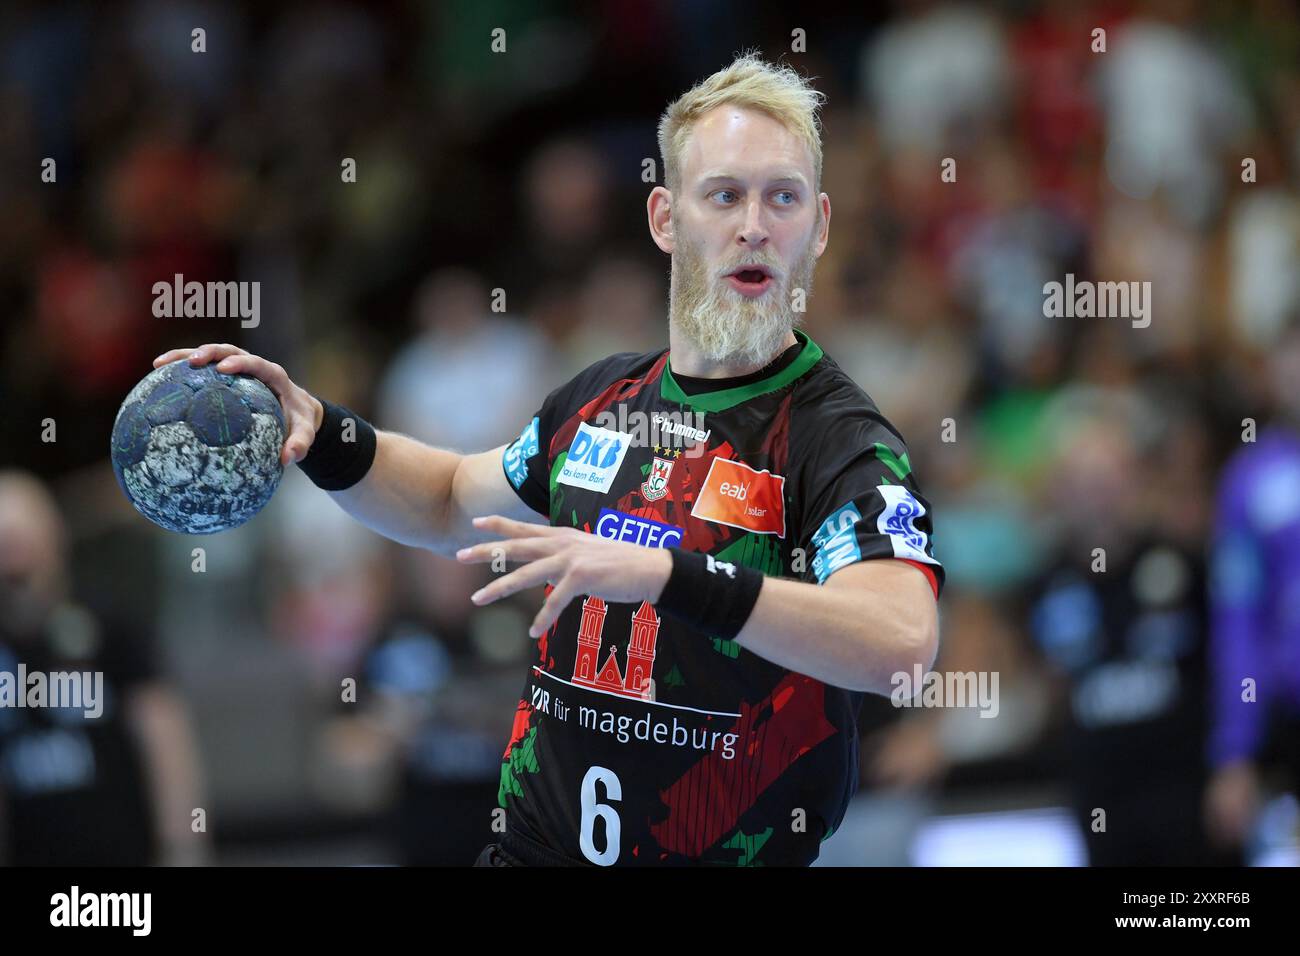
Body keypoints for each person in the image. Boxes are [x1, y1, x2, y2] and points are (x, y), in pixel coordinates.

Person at [153, 53, 944, 867]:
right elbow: (447, 499)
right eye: (725, 194)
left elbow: (900, 645)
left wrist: (667, 576)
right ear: (666, 219)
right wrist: (321, 432)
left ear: (817, 226)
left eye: (783, 197)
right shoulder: (600, 399)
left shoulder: (835, 436)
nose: (755, 224)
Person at [0, 471, 210, 866]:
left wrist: (183, 850)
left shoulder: (110, 627)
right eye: (5, 549)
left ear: (54, 539)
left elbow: (165, 740)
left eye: (22, 544)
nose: (16, 566)